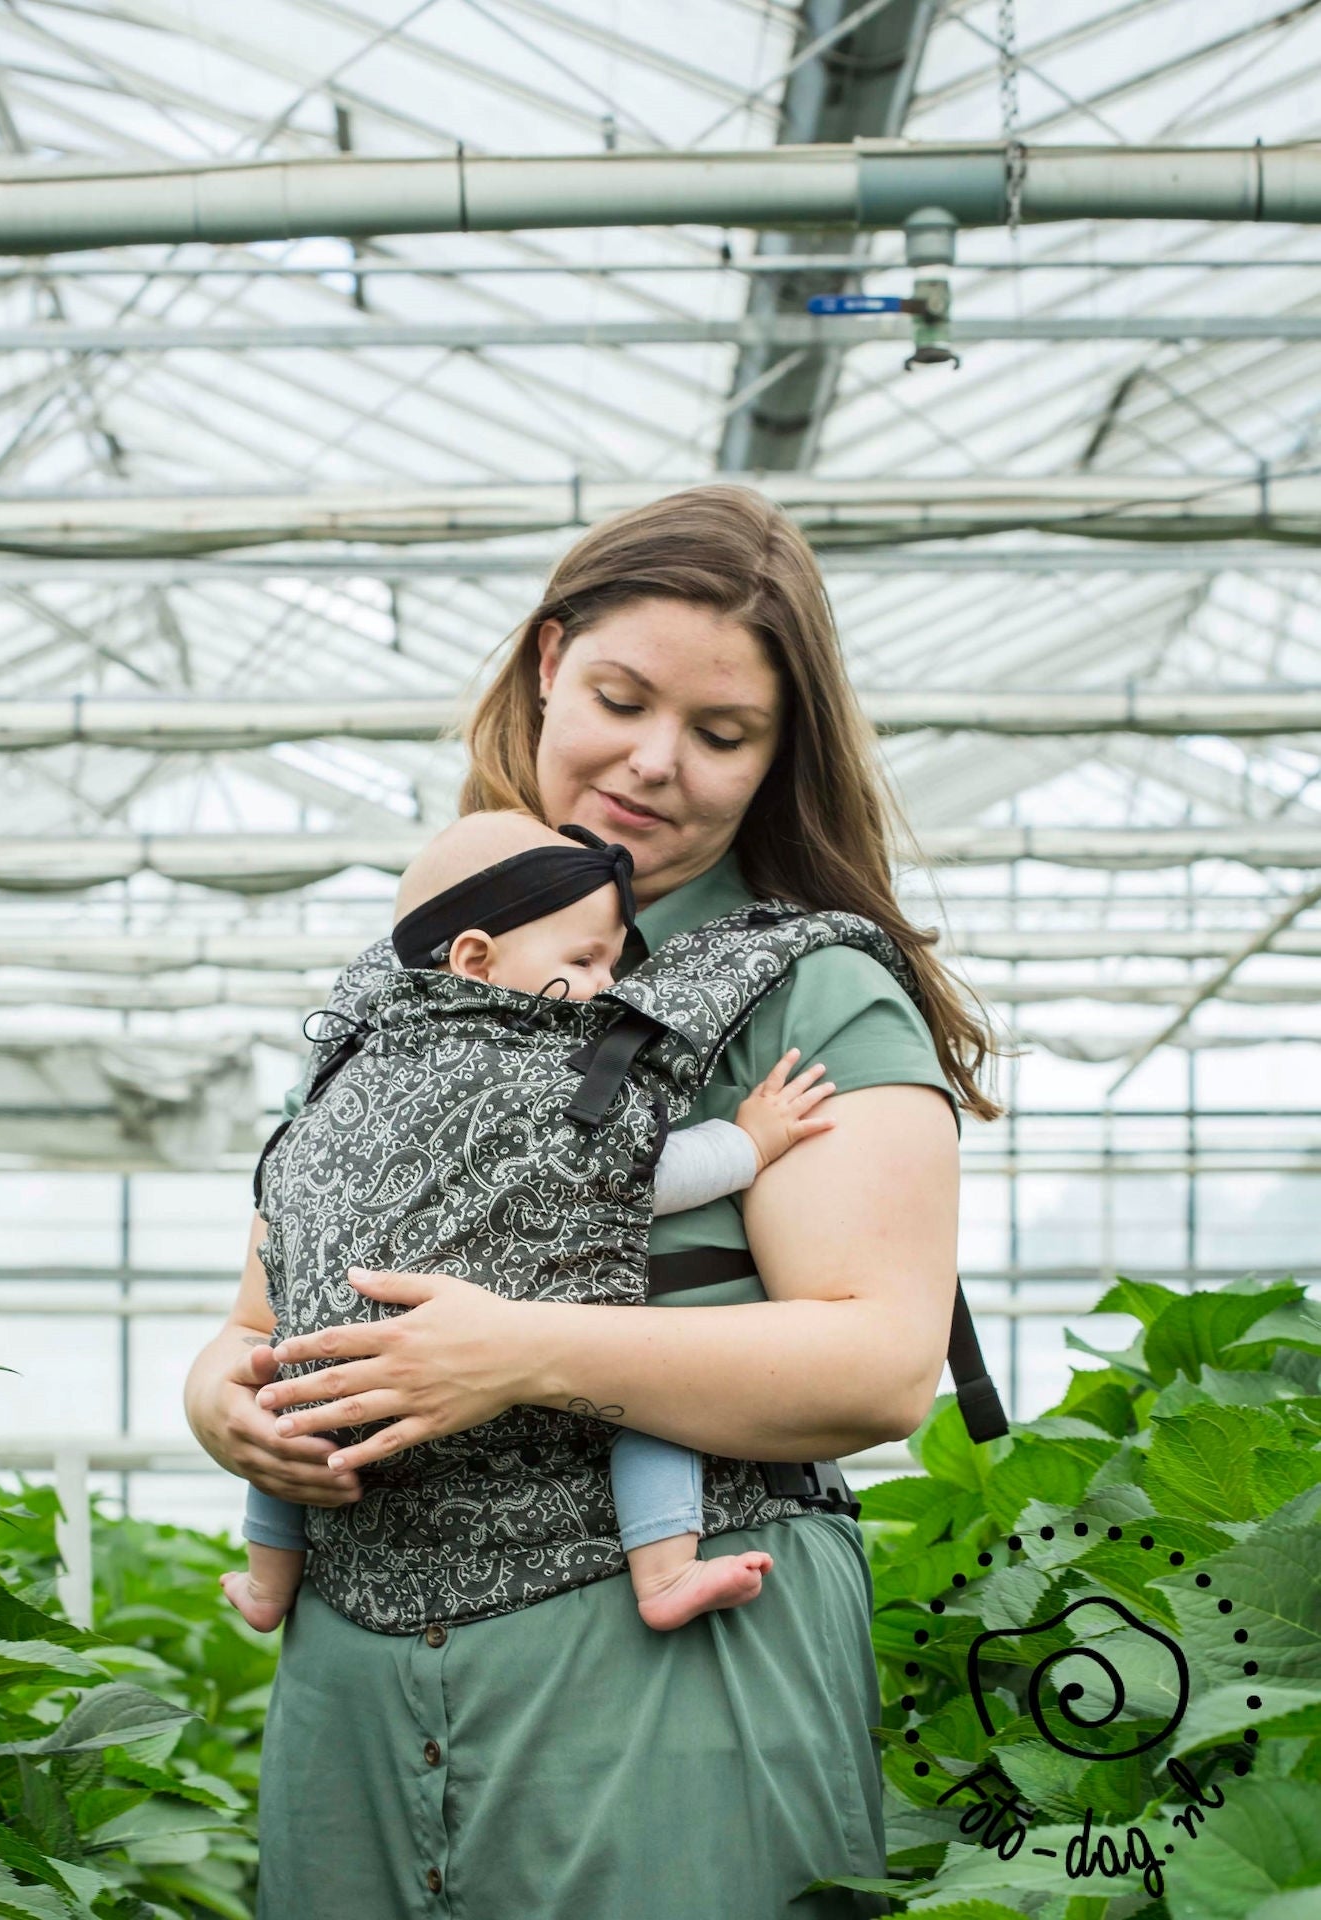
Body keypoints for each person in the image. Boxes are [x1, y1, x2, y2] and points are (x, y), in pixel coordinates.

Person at [185, 483, 996, 1920]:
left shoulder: (805, 987)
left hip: (668, 1674)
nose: (652, 764)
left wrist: (525, 1353)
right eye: (620, 698)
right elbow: (257, 1308)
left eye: (721, 734)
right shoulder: (412, 983)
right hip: (358, 1689)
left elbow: (878, 1362)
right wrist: (226, 1407)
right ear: (549, 661)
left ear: (773, 761)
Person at [221, 808, 840, 1636]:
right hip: (471, 1367)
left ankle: (267, 1584)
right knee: (652, 1400)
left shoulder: (356, 1064)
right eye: (583, 960)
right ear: (476, 959)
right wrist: (751, 1140)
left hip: (334, 1378)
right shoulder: (530, 1068)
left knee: (297, 1406)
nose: (605, 987)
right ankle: (663, 1572)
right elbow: (621, 1181)